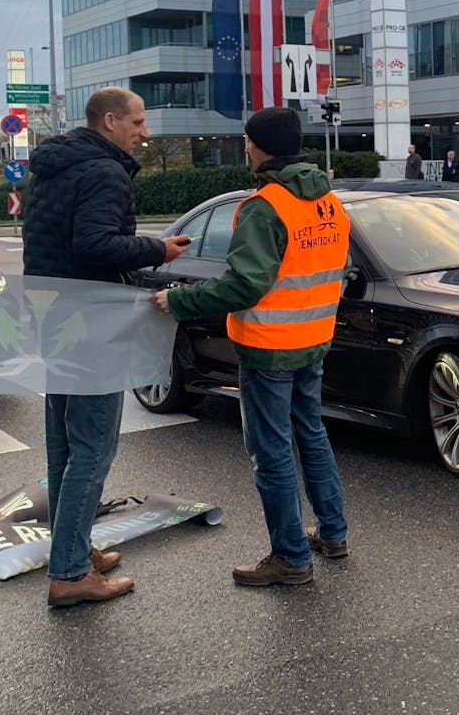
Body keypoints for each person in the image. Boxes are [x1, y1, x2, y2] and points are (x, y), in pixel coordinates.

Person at [152, 107, 350, 587]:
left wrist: (179, 299)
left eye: (246, 141)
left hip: (269, 346)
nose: (244, 148)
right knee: (311, 435)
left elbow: (245, 286)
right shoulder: (329, 201)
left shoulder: (265, 205)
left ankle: (291, 557)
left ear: (259, 146)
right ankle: (333, 533)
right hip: (314, 338)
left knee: (271, 452)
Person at [23, 86, 190, 607]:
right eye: (138, 123)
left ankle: (72, 547)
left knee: (65, 446)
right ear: (111, 121)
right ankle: (71, 575)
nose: (145, 133)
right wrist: (157, 249)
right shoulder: (103, 171)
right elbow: (93, 244)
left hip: (53, 315)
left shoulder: (52, 168)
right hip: (90, 322)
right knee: (93, 449)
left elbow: (54, 243)